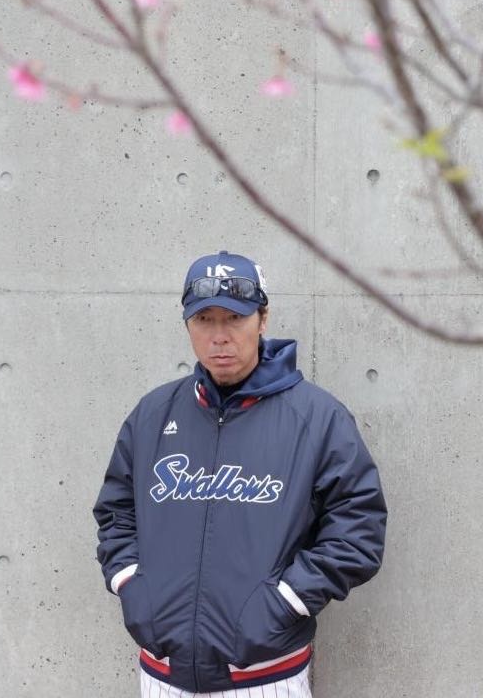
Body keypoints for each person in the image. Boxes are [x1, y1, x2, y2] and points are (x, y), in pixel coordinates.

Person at [94, 250, 387, 697]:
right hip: (162, 675)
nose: (219, 336)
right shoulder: (153, 415)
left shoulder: (317, 418)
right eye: (204, 320)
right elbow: (116, 513)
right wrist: (134, 586)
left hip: (265, 675)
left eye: (234, 318)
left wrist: (284, 601)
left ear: (263, 319)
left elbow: (358, 529)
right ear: (187, 325)